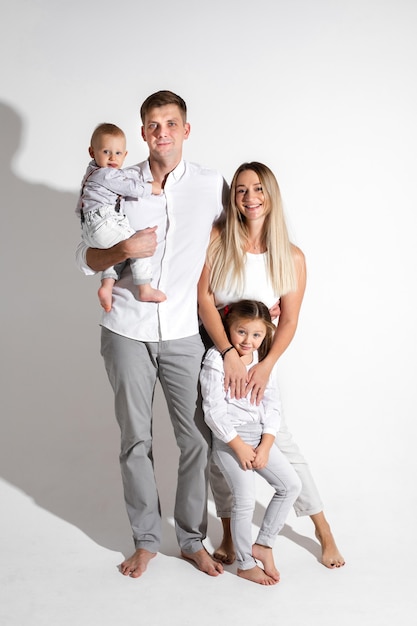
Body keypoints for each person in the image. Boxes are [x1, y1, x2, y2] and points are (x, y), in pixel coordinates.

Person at [75, 90, 227, 578]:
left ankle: (190, 538)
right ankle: (144, 539)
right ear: (143, 132)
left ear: (186, 129)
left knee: (197, 440)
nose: (162, 131)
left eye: (171, 122)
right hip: (125, 328)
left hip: (186, 331)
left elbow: (240, 241)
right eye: (153, 124)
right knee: (135, 440)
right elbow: (86, 256)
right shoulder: (115, 178)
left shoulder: (211, 185)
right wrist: (124, 245)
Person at [198, 161, 345, 569]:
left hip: (261, 363)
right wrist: (228, 353)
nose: (250, 198)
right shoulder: (218, 239)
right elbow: (205, 299)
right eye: (241, 190)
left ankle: (322, 528)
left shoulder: (291, 256)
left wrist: (265, 366)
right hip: (219, 358)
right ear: (234, 197)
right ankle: (229, 535)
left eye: (258, 189)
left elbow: (291, 319)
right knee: (219, 447)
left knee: (284, 446)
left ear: (271, 195)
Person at [200, 299, 302, 585]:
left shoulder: (263, 360)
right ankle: (245, 563)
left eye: (256, 335)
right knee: (244, 500)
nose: (249, 341)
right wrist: (239, 447)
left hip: (259, 437)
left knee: (290, 485)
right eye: (241, 332)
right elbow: (213, 411)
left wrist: (266, 445)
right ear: (229, 329)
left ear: (265, 334)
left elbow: (273, 406)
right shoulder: (215, 359)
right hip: (230, 441)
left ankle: (263, 544)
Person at [76, 122, 166, 311]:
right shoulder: (107, 174)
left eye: (118, 153)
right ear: (92, 152)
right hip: (104, 221)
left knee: (116, 252)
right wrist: (152, 187)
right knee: (137, 245)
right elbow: (130, 187)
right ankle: (145, 287)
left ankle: (107, 287)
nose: (112, 158)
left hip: (91, 227)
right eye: (106, 152)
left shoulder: (90, 174)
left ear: (125, 155)